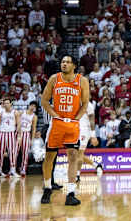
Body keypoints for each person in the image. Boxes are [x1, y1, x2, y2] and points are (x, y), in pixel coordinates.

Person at [40, 56, 90, 206]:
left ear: (74, 65)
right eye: (63, 62)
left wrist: (77, 118)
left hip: (72, 124)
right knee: (49, 156)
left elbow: (85, 103)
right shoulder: (54, 79)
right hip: (56, 123)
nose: (64, 64)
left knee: (73, 156)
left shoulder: (82, 81)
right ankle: (48, 188)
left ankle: (71, 192)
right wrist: (55, 115)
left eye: (67, 62)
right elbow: (44, 101)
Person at [76, 98, 103, 182]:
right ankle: (96, 165)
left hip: (84, 131)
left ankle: (77, 175)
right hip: (74, 129)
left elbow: (92, 119)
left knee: (79, 153)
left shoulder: (88, 104)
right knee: (76, 153)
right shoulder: (74, 102)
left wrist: (93, 135)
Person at [0, 98, 19, 177]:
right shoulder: (1, 113)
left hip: (11, 133)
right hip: (2, 133)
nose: (6, 104)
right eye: (4, 103)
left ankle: (12, 170)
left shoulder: (15, 112)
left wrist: (19, 135)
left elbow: (19, 124)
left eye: (7, 103)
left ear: (10, 104)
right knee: (1, 152)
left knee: (12, 152)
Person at [17, 102, 38, 176]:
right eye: (31, 105)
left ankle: (23, 169)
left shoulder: (34, 116)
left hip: (26, 133)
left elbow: (34, 128)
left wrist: (32, 139)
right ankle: (12, 168)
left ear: (35, 108)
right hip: (19, 132)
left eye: (34, 106)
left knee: (25, 153)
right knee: (15, 151)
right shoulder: (22, 112)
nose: (32, 107)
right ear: (29, 106)